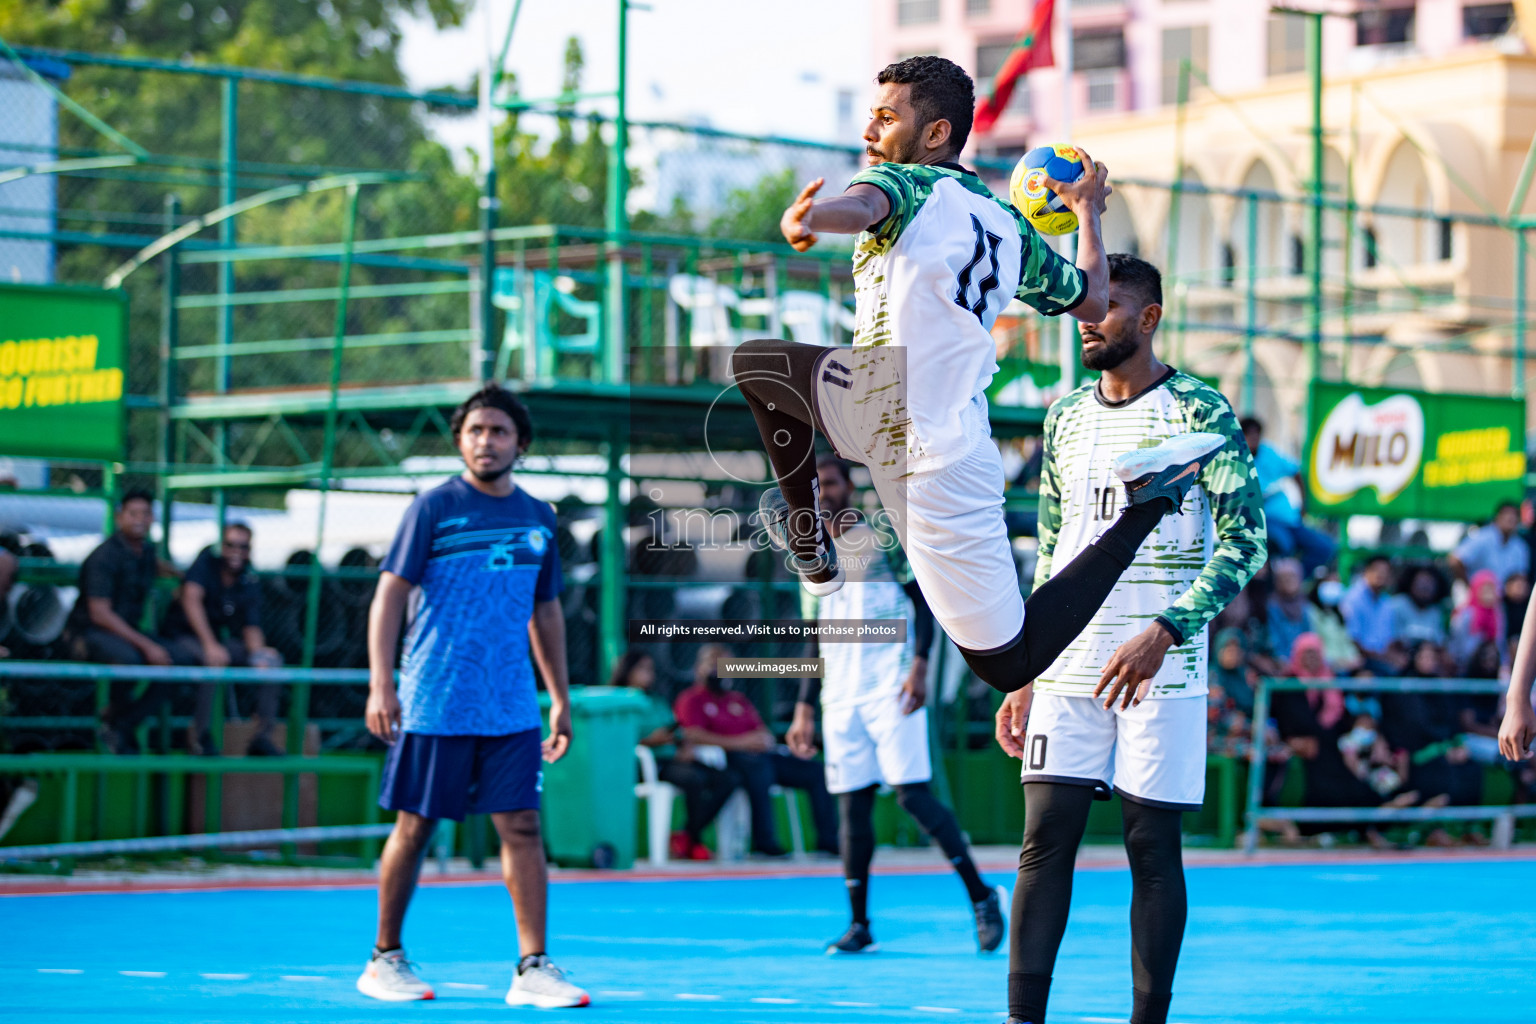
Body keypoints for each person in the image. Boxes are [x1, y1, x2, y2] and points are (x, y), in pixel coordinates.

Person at [734, 55, 1229, 700]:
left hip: (892, 408)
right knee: (1009, 662)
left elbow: (860, 205)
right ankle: (1149, 505)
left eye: (887, 118)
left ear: (935, 134)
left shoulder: (904, 183)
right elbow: (1089, 297)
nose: (870, 131)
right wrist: (1088, 213)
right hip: (956, 447)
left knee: (755, 363)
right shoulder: (1009, 227)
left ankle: (809, 549)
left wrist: (808, 219)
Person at [993, 253, 1265, 1024]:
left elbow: (1246, 543)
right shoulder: (1063, 416)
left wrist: (1167, 630)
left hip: (1161, 672)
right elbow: (1052, 549)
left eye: (1107, 306)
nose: (1087, 319)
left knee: (1151, 850)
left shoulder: (1200, 412)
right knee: (1044, 844)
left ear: (1149, 319)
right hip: (1068, 663)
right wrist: (1025, 668)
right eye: (1083, 305)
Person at [357, 384, 588, 1009]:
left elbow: (547, 612)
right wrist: (384, 682)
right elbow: (390, 596)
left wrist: (558, 697)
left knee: (522, 826)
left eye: (499, 431)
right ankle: (384, 958)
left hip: (511, 703)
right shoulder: (434, 507)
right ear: (461, 440)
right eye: (476, 431)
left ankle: (533, 967)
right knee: (416, 826)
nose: (486, 441)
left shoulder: (539, 517)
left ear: (520, 443)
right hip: (435, 696)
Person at [787, 455, 1005, 955]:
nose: (825, 492)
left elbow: (923, 601)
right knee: (852, 808)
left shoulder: (884, 538)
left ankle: (981, 895)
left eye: (832, 483)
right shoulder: (808, 554)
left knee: (912, 795)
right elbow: (810, 636)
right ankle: (859, 924)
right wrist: (804, 707)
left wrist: (921, 665)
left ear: (849, 487)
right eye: (816, 486)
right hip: (840, 693)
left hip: (892, 685)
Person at [674, 644, 838, 857]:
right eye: (713, 664)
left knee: (816, 772)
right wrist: (741, 742)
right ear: (699, 668)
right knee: (759, 770)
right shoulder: (691, 699)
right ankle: (764, 842)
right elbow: (693, 734)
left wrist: (762, 740)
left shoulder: (738, 700)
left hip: (761, 756)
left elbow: (762, 733)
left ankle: (829, 842)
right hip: (727, 759)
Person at [64, 489, 193, 754]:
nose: (139, 519)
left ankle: (122, 722)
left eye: (145, 514)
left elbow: (153, 565)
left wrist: (182, 578)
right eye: (133, 513)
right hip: (87, 633)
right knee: (131, 660)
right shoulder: (104, 556)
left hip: (124, 632)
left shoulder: (144, 552)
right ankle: (115, 720)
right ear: (119, 517)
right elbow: (100, 614)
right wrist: (147, 646)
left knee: (182, 660)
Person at [161, 522, 283, 756]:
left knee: (272, 662)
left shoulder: (248, 578)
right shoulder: (206, 562)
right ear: (221, 546)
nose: (236, 551)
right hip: (182, 636)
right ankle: (199, 737)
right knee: (214, 661)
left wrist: (259, 654)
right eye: (230, 545)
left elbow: (251, 625)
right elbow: (191, 599)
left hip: (217, 641)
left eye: (243, 546)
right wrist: (209, 644)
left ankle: (261, 738)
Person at [614, 649, 739, 861]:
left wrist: (683, 746)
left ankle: (686, 836)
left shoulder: (656, 700)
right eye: (642, 669)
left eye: (650, 669)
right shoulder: (619, 701)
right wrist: (651, 740)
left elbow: (676, 730)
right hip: (647, 763)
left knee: (726, 779)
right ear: (627, 671)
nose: (648, 674)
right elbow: (620, 738)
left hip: (673, 759)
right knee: (694, 780)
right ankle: (694, 842)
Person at [1239, 416, 1335, 577]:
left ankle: (1293, 581)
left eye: (1256, 434)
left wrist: (1303, 504)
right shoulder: (1233, 458)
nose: (1253, 438)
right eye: (1248, 434)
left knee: (1325, 547)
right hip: (1262, 522)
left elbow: (1296, 471)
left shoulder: (1268, 452)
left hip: (1289, 520)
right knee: (1282, 544)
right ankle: (1279, 583)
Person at [1339, 555, 1404, 675]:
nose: (1381, 575)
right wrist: (1382, 657)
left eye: (1385, 572)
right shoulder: (1352, 599)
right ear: (1366, 571)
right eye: (1376, 570)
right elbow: (1352, 640)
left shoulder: (1387, 603)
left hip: (1380, 658)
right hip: (1358, 660)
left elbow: (1389, 639)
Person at [1449, 501, 1528, 587]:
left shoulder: (1520, 546)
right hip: (1475, 595)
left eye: (1514, 516)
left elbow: (1520, 576)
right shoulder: (1482, 537)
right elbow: (1455, 560)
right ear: (1497, 517)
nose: (1510, 519)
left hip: (1501, 598)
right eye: (1507, 515)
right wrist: (1469, 587)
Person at [1265, 558, 1315, 667]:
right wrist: (1283, 660)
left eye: (1292, 577)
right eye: (1284, 578)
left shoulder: (1305, 605)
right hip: (1283, 664)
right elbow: (1274, 638)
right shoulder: (1273, 605)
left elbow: (1309, 634)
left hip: (1305, 663)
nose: (1288, 581)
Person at [1388, 565, 1448, 648]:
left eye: (1430, 583)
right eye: (1421, 582)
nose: (1425, 587)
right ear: (1410, 582)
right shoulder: (1397, 604)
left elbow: (1439, 641)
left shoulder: (1435, 612)